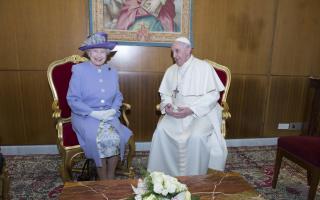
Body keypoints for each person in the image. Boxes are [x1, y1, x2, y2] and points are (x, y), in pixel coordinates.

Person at [147, 37, 228, 176]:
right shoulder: (171, 70)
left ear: (188, 50)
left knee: (196, 137)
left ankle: (195, 177)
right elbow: (165, 95)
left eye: (177, 51)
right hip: (177, 113)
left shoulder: (204, 67)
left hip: (202, 113)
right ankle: (164, 175)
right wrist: (167, 106)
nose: (174, 55)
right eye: (172, 52)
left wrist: (192, 109)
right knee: (161, 131)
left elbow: (213, 96)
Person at [67, 32, 132, 179]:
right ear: (89, 53)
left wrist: (114, 110)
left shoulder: (112, 72)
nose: (98, 55)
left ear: (107, 54)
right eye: (95, 51)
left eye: (102, 51)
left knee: (116, 138)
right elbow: (72, 99)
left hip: (109, 114)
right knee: (100, 140)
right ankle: (103, 181)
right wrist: (92, 113)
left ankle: (111, 177)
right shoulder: (79, 70)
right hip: (85, 116)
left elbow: (118, 95)